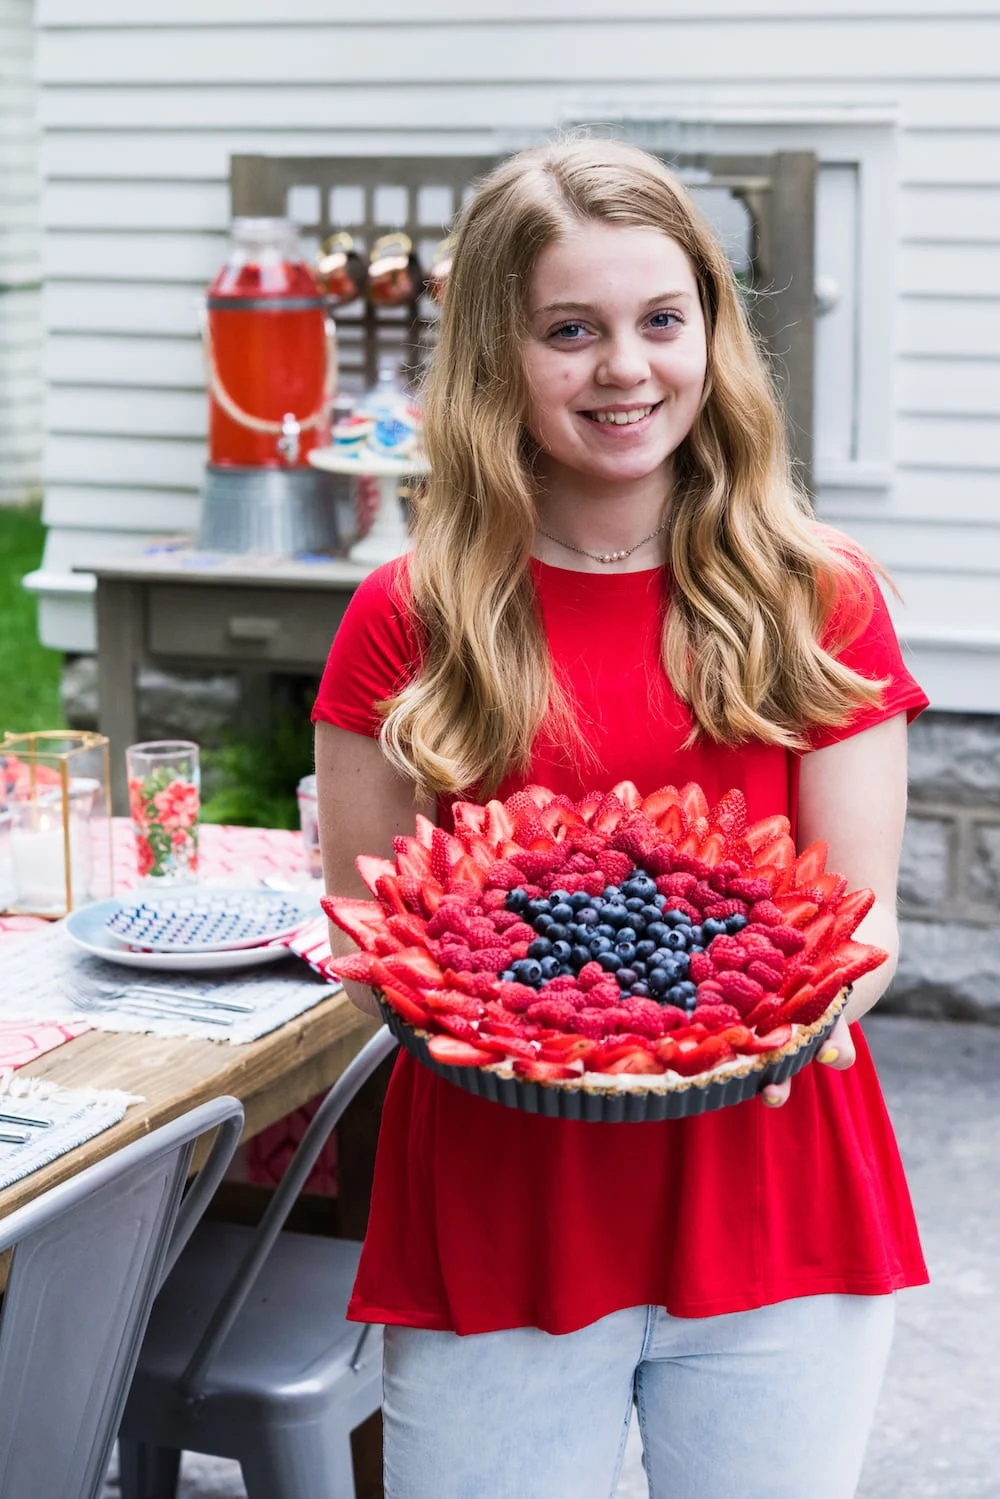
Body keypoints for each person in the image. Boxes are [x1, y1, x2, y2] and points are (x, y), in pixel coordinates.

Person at [312, 138, 929, 1499]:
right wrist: (536, 1035)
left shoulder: (817, 596)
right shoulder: (404, 619)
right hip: (497, 1201)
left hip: (773, 1190)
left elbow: (860, 916)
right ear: (494, 358)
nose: (627, 368)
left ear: (712, 328)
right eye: (569, 332)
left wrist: (783, 1019)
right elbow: (376, 928)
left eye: (663, 319)